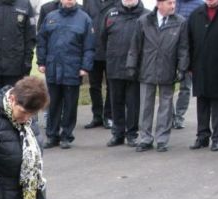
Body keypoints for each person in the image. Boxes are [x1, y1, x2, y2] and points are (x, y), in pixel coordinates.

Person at [126, 0, 189, 153]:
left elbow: (183, 48)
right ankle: (145, 139)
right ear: (159, 4)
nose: (173, 6)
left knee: (166, 106)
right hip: (147, 69)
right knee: (146, 106)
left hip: (168, 70)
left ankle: (162, 139)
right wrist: (131, 65)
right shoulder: (144, 21)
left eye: (174, 2)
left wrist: (182, 68)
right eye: (169, 3)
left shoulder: (180, 22)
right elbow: (135, 46)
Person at [37, 0, 95, 149]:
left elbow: (89, 46)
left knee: (70, 105)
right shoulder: (50, 16)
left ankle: (66, 136)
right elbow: (42, 40)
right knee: (53, 103)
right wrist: (41, 62)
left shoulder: (84, 18)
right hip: (53, 67)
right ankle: (52, 135)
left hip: (73, 68)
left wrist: (85, 67)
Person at [187, 0, 218, 152]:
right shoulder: (196, 14)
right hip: (199, 64)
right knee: (202, 101)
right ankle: (202, 136)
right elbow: (189, 40)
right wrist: (189, 65)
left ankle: (217, 138)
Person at [102, 0, 149, 147]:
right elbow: (103, 38)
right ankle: (118, 134)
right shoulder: (110, 14)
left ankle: (132, 134)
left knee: (133, 103)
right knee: (116, 102)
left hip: (136, 68)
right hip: (114, 66)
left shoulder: (146, 15)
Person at [0, 0, 36, 88]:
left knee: (13, 100)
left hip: (16, 67)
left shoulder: (25, 4)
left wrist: (27, 62)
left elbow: (30, 38)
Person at [83, 0, 115, 130]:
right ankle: (97, 116)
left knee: (111, 86)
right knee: (94, 86)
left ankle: (109, 116)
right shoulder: (89, 2)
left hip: (111, 51)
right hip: (93, 50)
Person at [172, 0, 203, 129]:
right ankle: (169, 116)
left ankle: (179, 116)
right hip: (169, 51)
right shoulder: (172, 3)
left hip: (188, 52)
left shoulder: (200, 5)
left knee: (185, 87)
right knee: (167, 87)